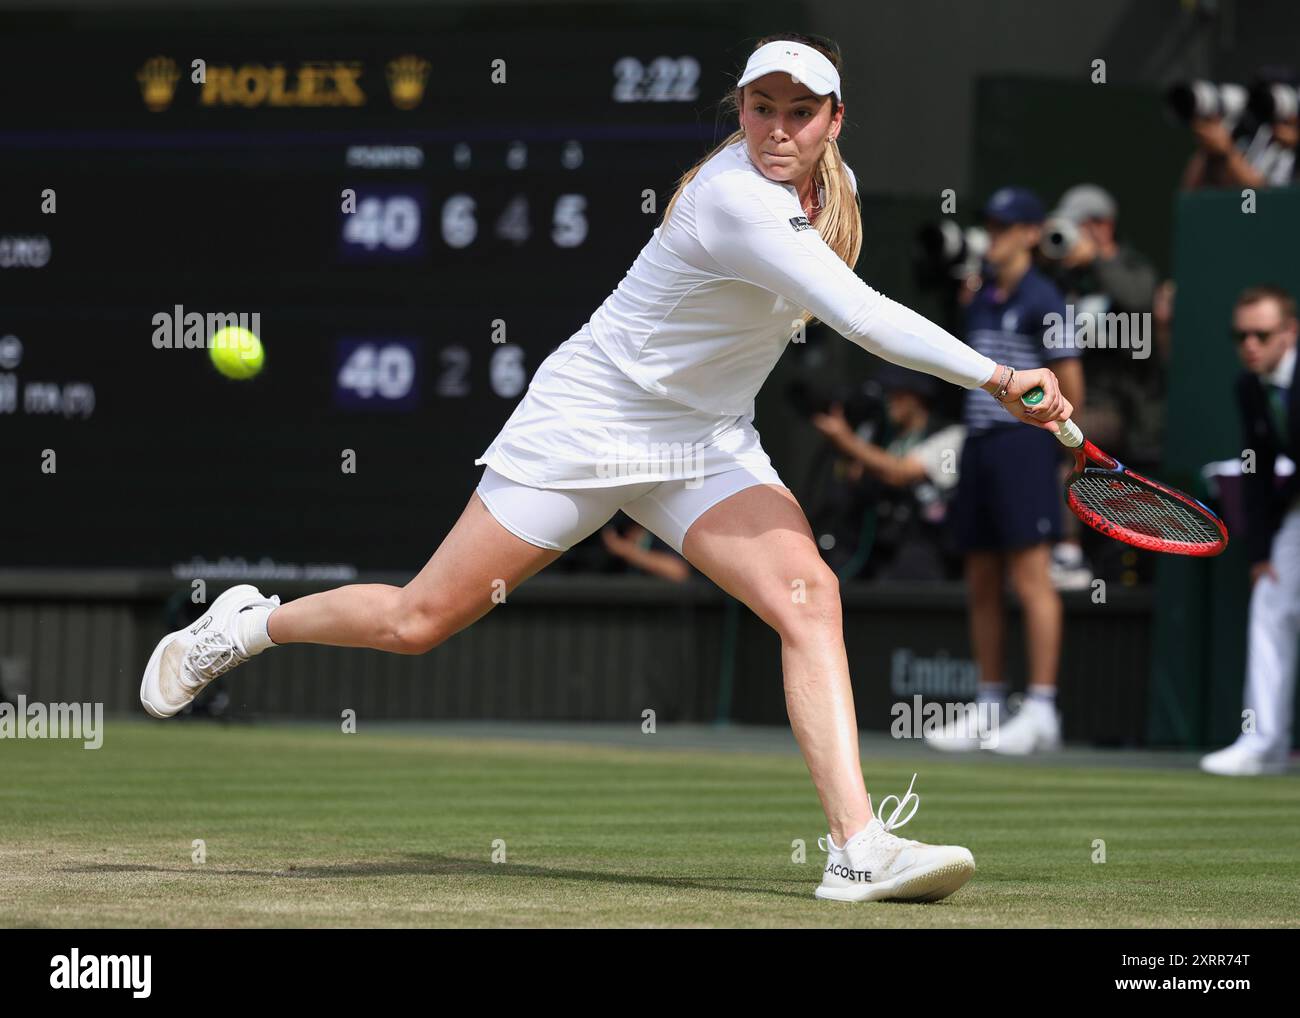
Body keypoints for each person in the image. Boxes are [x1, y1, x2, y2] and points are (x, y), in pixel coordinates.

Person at [139, 34, 1072, 902]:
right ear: (740, 111)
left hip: (704, 442)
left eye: (801, 110)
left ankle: (855, 848)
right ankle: (248, 625)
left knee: (808, 596)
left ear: (835, 120)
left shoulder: (837, 191)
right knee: (417, 621)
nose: (778, 128)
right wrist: (997, 375)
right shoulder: (734, 197)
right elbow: (862, 315)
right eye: (761, 108)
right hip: (588, 425)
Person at [926, 187, 1083, 756]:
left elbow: (1073, 387)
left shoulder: (1046, 298)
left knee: (1031, 578)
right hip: (980, 445)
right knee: (982, 579)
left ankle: (1042, 708)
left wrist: (1056, 448)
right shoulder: (981, 297)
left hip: (1025, 446)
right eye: (989, 226)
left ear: (1031, 234)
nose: (993, 237)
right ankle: (990, 703)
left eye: (1005, 227)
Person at [1201, 285, 1298, 776]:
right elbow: (1258, 472)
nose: (1250, 345)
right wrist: (1259, 553)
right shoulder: (1249, 386)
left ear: (1290, 332)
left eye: (1261, 334)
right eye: (1241, 336)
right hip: (1293, 512)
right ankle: (1263, 743)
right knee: (1270, 599)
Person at [810, 364, 965, 580]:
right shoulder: (881, 435)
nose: (888, 400)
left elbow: (901, 472)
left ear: (917, 396)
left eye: (896, 393)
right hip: (878, 545)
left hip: (927, 548)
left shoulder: (951, 436)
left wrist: (845, 439)